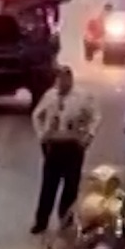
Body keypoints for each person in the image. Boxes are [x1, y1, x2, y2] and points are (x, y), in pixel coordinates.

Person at [30, 66, 100, 237]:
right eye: (59, 80)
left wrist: (88, 136)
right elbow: (37, 115)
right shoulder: (50, 96)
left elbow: (96, 116)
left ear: (70, 80)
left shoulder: (82, 97)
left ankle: (66, 220)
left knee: (71, 185)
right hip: (54, 144)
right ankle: (41, 221)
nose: (61, 84)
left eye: (64, 80)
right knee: (49, 185)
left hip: (72, 144)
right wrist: (42, 135)